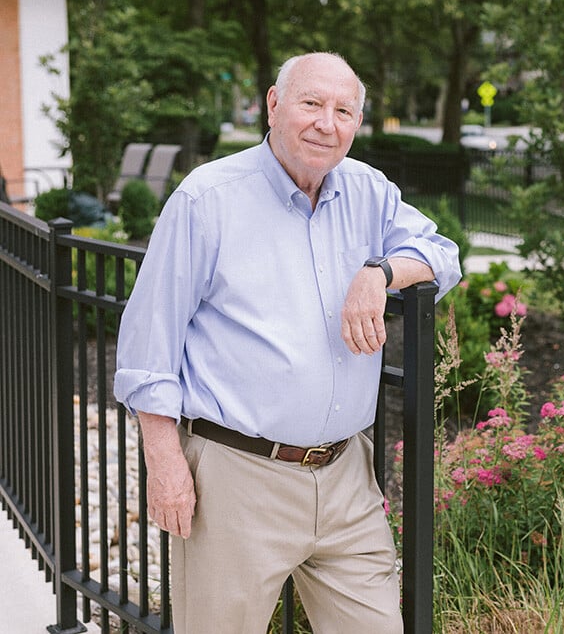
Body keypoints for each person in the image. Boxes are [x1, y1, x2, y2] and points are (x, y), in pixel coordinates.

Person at [114, 52, 461, 633]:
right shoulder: (208, 199)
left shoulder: (368, 191)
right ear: (274, 106)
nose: (327, 122)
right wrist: (165, 462)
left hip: (347, 477)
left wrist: (378, 273)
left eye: (344, 110)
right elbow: (149, 346)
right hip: (236, 479)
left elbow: (443, 254)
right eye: (311, 103)